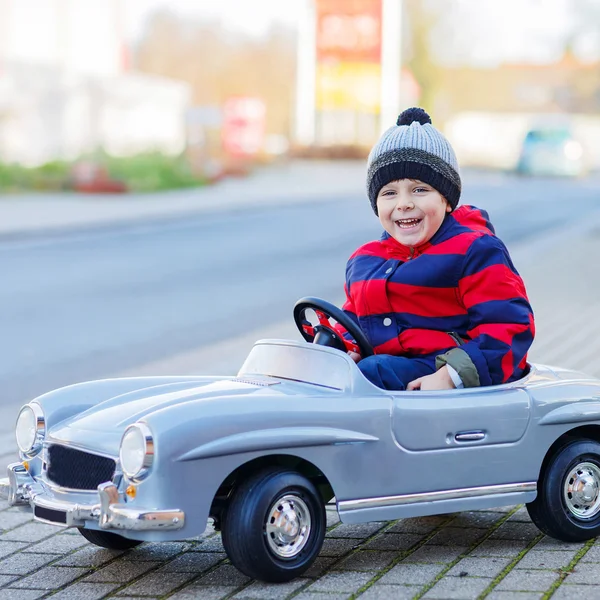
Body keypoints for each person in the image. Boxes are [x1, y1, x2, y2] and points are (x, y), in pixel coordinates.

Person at [340, 107, 535, 391]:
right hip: (393, 372)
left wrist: (452, 376)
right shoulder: (366, 261)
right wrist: (342, 344)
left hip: (448, 373)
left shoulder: (474, 251)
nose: (403, 203)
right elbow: (353, 319)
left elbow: (509, 327)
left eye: (419, 190)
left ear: (446, 200)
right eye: (389, 193)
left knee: (372, 371)